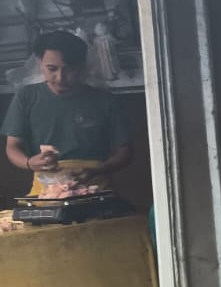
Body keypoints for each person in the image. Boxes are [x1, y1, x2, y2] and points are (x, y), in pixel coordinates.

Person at [3, 30, 132, 195]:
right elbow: (13, 147)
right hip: (46, 190)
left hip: (96, 188)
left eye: (69, 69)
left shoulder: (105, 100)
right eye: (52, 69)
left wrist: (97, 170)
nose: (60, 77)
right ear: (40, 62)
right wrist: (29, 163)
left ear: (82, 66)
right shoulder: (26, 96)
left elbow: (124, 152)